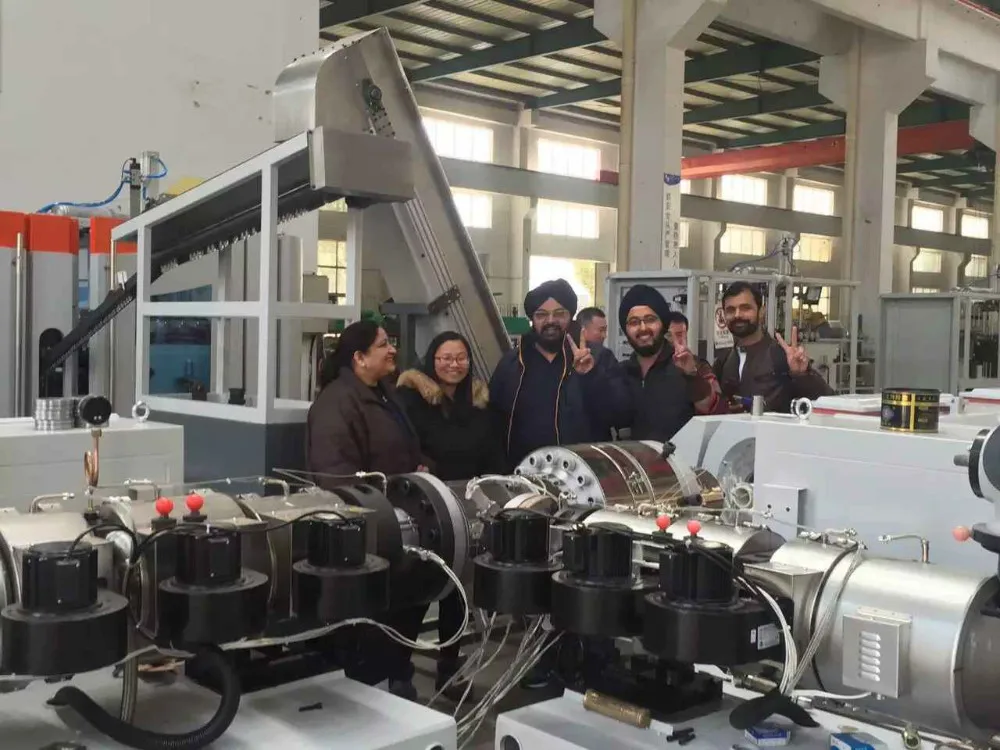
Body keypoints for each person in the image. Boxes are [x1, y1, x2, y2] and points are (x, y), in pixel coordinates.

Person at [305, 320, 427, 700]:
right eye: (383, 345)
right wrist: (375, 513)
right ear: (359, 357)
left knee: (405, 602)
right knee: (370, 617)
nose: (392, 350)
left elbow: (401, 447)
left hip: (396, 521)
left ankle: (395, 675)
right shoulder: (336, 403)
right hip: (368, 527)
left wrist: (420, 470)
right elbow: (336, 476)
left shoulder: (384, 393)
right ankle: (367, 688)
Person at [396, 332, 505, 699]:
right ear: (432, 360)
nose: (453, 365)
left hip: (467, 507)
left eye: (460, 358)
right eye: (445, 358)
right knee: (417, 590)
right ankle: (399, 673)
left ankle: (449, 671)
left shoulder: (479, 404)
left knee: (457, 595)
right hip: (425, 508)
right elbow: (408, 447)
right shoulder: (411, 399)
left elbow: (492, 452)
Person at [489, 279, 631, 469]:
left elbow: (620, 413)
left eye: (559, 313)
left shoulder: (598, 357)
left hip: (583, 473)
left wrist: (591, 375)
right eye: (541, 315)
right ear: (532, 319)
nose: (550, 321)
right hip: (524, 473)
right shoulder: (512, 363)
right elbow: (493, 422)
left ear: (571, 316)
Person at [619, 285, 724, 441]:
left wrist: (691, 376)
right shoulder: (620, 373)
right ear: (626, 329)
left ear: (663, 324)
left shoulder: (694, 365)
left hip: (681, 457)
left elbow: (718, 415)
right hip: (634, 457)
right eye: (634, 322)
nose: (643, 328)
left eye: (650, 320)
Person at [715, 281, 833, 413]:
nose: (737, 315)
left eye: (745, 308)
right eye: (731, 310)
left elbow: (826, 400)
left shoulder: (781, 356)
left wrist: (801, 375)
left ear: (761, 312)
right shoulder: (723, 361)